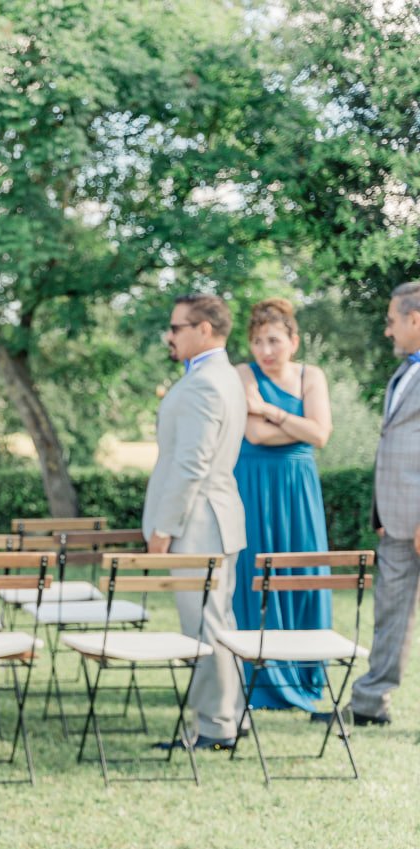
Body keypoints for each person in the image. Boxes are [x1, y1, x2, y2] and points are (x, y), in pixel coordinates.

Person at [143, 293, 247, 751]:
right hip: (217, 518)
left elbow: (191, 465)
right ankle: (232, 716)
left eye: (176, 327)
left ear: (204, 329)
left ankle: (214, 725)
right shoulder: (225, 376)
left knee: (203, 628)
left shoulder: (205, 383)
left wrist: (164, 527)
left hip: (198, 523)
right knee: (219, 623)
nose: (169, 335)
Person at [232, 298, 333, 711]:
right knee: (257, 569)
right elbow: (255, 434)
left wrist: (269, 410)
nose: (265, 351)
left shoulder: (312, 375)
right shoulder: (242, 374)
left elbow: (321, 435)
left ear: (294, 340)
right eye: (257, 342)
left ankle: (305, 670)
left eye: (273, 340)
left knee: (304, 567)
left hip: (298, 487)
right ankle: (260, 675)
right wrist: (298, 426)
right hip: (253, 482)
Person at [349, 280, 420, 726]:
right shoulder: (406, 371)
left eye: (392, 321)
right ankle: (369, 704)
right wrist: (381, 510)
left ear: (415, 318)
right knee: (390, 612)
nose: (387, 330)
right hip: (395, 519)